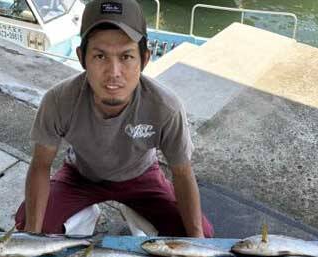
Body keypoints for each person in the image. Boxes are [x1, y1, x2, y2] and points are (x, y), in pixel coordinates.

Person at [15, 0, 214, 237]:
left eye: (126, 56)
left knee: (199, 235)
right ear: (82, 57)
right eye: (100, 56)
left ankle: (135, 210)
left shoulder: (165, 108)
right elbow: (40, 164)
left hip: (141, 177)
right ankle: (87, 214)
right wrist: (32, 237)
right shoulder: (58, 100)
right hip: (80, 176)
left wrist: (196, 242)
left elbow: (182, 173)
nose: (114, 73)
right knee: (28, 224)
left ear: (145, 59)